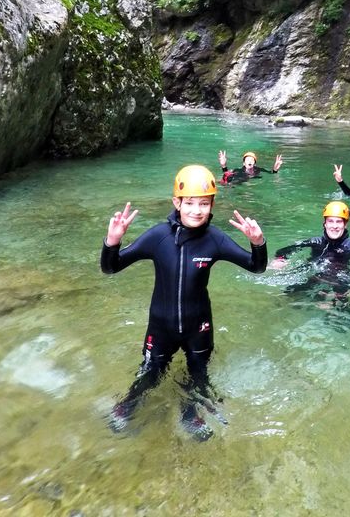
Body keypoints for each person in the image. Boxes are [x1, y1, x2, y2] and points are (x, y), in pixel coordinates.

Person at [100, 165, 267, 441]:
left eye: (203, 203)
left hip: (198, 326)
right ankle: (128, 404)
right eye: (189, 203)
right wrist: (113, 241)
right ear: (176, 202)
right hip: (161, 326)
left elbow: (256, 267)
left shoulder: (216, 240)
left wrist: (258, 243)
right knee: (149, 375)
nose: (196, 210)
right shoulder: (158, 237)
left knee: (199, 376)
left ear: (212, 204)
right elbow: (111, 267)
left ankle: (191, 411)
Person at [269, 201, 350, 327]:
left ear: (346, 224)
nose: (334, 226)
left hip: (340, 280)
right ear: (325, 223)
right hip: (313, 276)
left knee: (343, 316)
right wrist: (280, 260)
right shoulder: (316, 241)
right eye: (331, 221)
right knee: (282, 299)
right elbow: (284, 251)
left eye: (339, 221)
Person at [218, 150, 283, 185]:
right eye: (248, 159)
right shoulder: (239, 171)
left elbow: (272, 175)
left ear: (255, 164)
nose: (250, 161)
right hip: (239, 181)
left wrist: (275, 169)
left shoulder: (259, 170)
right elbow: (227, 174)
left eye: (252, 160)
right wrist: (224, 166)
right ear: (244, 163)